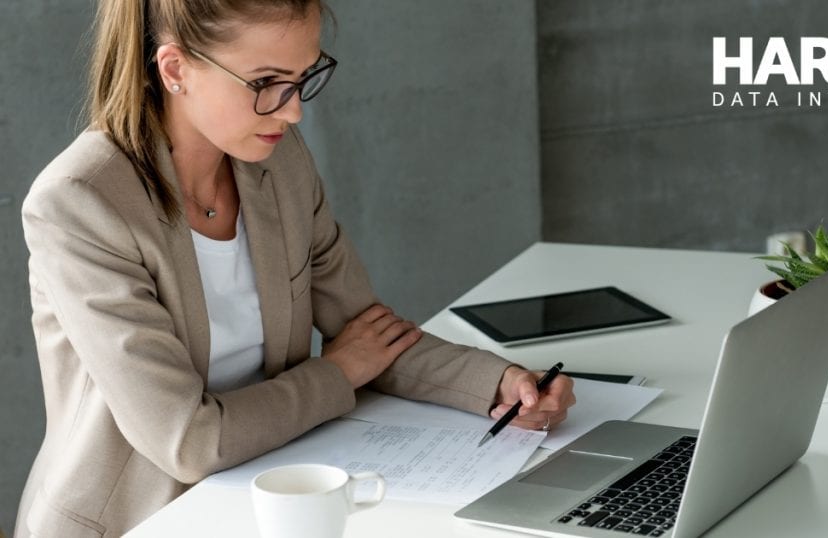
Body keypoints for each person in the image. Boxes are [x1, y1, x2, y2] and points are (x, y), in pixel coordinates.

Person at [15, 1, 575, 536]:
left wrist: (499, 385)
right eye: (265, 83)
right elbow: (187, 440)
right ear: (176, 68)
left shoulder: (277, 160)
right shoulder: (80, 203)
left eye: (303, 77)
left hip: (273, 487)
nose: (293, 109)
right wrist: (335, 374)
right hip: (147, 518)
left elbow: (366, 333)